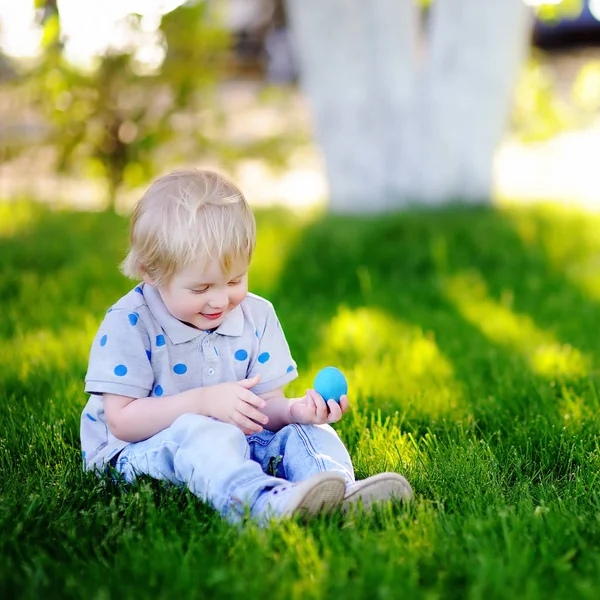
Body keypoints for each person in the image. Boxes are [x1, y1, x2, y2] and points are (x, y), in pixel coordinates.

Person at [80, 169, 413, 524]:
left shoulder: (256, 315)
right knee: (200, 432)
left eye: (235, 280)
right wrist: (204, 402)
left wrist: (294, 411)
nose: (221, 300)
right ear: (151, 272)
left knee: (306, 430)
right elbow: (122, 421)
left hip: (236, 441)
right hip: (139, 450)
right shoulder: (130, 322)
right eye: (201, 288)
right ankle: (261, 503)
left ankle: (339, 494)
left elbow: (265, 411)